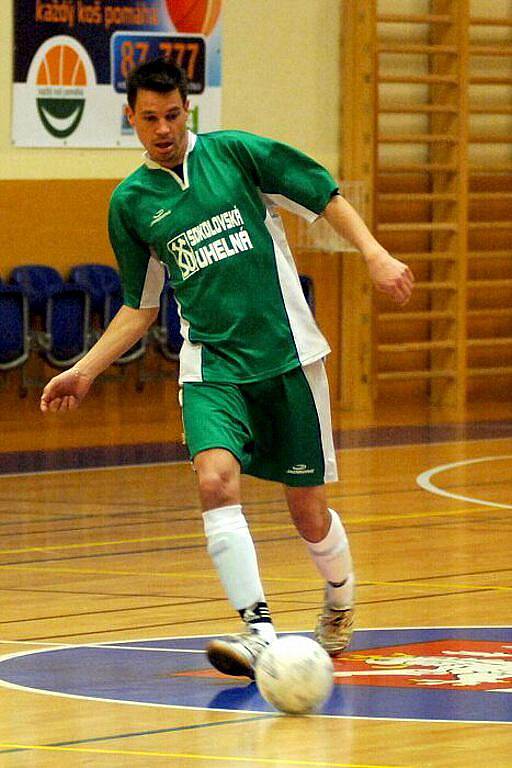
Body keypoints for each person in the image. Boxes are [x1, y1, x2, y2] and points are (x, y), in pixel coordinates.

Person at [40, 57, 414, 679]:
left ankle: (341, 600)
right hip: (211, 366)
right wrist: (85, 369)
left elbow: (323, 194)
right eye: (149, 118)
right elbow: (139, 308)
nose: (162, 129)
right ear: (129, 118)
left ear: (188, 111)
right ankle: (258, 630)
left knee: (308, 512)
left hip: (289, 358)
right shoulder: (131, 204)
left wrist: (374, 254)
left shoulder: (237, 155)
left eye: (172, 115)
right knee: (215, 479)